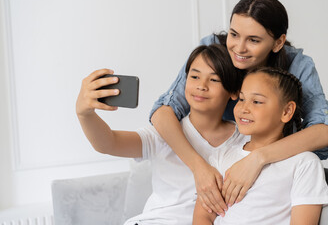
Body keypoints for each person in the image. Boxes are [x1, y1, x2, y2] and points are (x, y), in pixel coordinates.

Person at [150, 0, 328, 215]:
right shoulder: (213, 49)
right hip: (215, 171)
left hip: (273, 173)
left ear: (278, 42)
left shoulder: (298, 65)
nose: (239, 48)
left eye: (253, 40)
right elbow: (164, 112)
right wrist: (199, 167)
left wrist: (257, 158)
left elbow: (326, 133)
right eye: (234, 34)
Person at [76, 44, 246, 225]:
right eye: (194, 76)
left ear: (234, 91)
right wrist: (85, 114)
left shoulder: (245, 140)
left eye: (214, 80)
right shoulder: (165, 133)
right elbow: (109, 143)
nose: (201, 86)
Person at [192, 67, 328, 225]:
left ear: (287, 111)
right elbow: (203, 216)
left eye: (257, 101)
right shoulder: (223, 155)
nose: (243, 108)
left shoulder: (304, 163)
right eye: (241, 99)